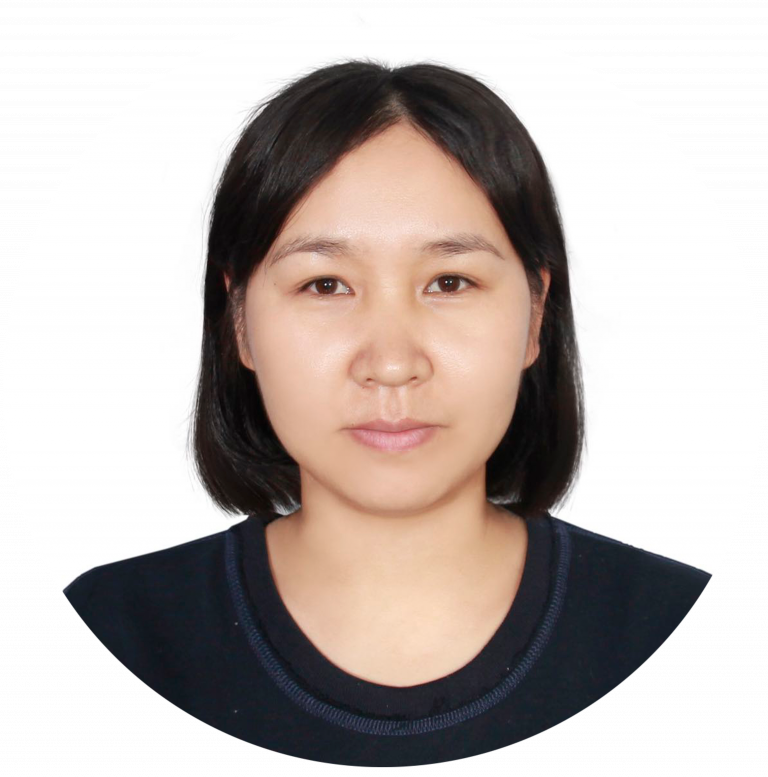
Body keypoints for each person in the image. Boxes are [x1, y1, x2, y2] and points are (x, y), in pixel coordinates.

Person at [63, 59, 712, 765]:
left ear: (535, 316)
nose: (393, 362)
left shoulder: (665, 622)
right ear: (239, 322)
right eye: (326, 285)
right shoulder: (120, 631)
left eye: (450, 281)